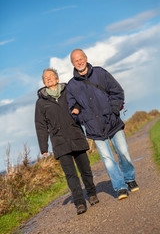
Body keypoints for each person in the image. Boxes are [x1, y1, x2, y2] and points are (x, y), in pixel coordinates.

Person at [66, 49, 139, 200]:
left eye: (81, 59)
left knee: (123, 152)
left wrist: (113, 110)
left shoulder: (100, 73)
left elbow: (117, 91)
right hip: (94, 128)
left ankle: (130, 179)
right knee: (108, 159)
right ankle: (120, 187)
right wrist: (80, 117)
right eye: (75, 60)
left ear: (85, 58)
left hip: (112, 121)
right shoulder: (72, 85)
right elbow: (73, 107)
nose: (79, 62)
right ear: (72, 64)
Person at [35, 68, 99, 215]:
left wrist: (76, 109)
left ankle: (92, 193)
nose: (48, 78)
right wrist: (43, 146)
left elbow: (79, 102)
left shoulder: (68, 91)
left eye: (51, 76)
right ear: (44, 82)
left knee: (85, 170)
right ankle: (79, 203)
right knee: (71, 175)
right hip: (59, 142)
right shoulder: (40, 103)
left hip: (75, 134)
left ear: (57, 79)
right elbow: (40, 125)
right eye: (45, 78)